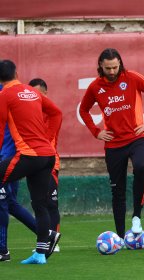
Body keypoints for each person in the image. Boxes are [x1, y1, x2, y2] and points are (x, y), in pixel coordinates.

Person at [79, 48, 144, 240]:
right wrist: (96, 131)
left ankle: (137, 217)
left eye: (115, 67)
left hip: (136, 138)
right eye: (108, 68)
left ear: (120, 64)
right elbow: (84, 110)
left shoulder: (132, 78)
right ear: (101, 66)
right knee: (118, 189)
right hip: (114, 145)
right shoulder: (94, 87)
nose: (112, 71)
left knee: (140, 167)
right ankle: (121, 236)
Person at [0, 60, 62, 264]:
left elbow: (0, 130)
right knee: (40, 204)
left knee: (14, 201)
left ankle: (3, 249)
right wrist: (49, 138)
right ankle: (40, 254)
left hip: (29, 155)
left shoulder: (4, 95)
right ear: (17, 73)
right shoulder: (32, 92)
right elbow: (56, 113)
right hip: (47, 156)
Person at [0, 84, 37, 262]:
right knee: (10, 203)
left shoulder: (6, 94)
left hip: (7, 158)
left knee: (3, 203)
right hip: (9, 156)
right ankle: (46, 234)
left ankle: (2, 250)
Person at [29, 78, 61, 253]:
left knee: (51, 203)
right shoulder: (29, 113)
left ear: (45, 94)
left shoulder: (52, 113)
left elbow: (49, 140)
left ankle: (53, 239)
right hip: (33, 161)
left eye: (38, 94)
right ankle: (44, 239)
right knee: (39, 203)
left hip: (49, 162)